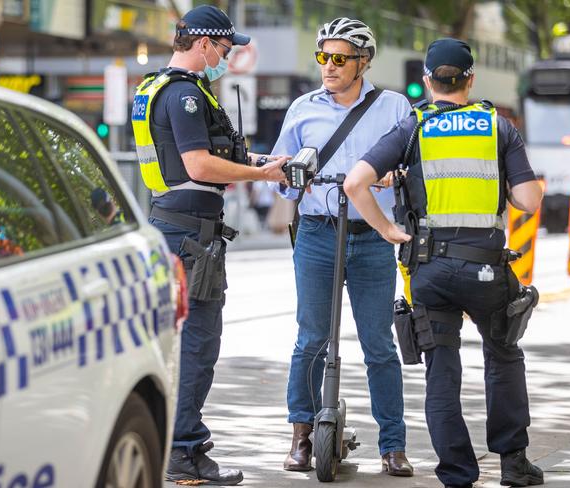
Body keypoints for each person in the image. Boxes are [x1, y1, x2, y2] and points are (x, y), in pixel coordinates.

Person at [345, 38, 544, 488]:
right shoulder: (498, 125)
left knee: (442, 369)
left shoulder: (413, 127)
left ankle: (457, 473)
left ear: (427, 81)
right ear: (470, 79)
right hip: (487, 269)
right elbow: (529, 201)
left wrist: (387, 230)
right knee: (503, 356)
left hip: (429, 271)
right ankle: (513, 462)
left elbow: (356, 183)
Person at [130, 5, 287, 485]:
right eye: (224, 47)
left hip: (174, 225)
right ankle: (183, 453)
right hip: (188, 235)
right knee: (199, 344)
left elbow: (209, 157)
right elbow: (198, 166)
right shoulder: (185, 97)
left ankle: (184, 445)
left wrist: (263, 160)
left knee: (186, 345)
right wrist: (259, 174)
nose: (227, 56)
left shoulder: (160, 87)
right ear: (203, 44)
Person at [271, 17, 414, 477]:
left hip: (372, 238)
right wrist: (289, 177)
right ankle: (301, 437)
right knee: (310, 339)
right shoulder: (301, 109)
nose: (328, 67)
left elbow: (415, 166)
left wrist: (396, 176)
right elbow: (282, 181)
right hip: (317, 233)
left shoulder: (394, 108)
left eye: (339, 59)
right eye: (322, 57)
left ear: (363, 62)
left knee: (379, 345)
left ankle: (393, 445)